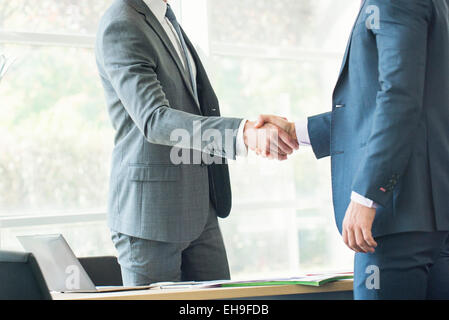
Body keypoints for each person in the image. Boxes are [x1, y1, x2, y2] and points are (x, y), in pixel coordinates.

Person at [255, 0, 449, 299]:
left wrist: (367, 196)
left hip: (397, 218)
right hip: (435, 220)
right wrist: (298, 131)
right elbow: (415, 104)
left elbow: (399, 99)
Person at [95, 0, 298, 285]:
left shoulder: (165, 18)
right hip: (150, 220)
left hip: (201, 209)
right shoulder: (123, 22)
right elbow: (155, 119)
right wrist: (243, 133)